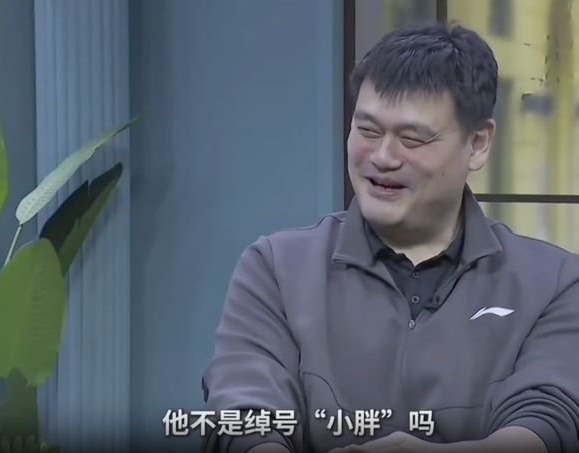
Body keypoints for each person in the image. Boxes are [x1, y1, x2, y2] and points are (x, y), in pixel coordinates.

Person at [201, 22, 579, 453]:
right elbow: (244, 415)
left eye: (412, 138)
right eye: (367, 130)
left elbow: (549, 421)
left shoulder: (555, 282)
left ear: (477, 144)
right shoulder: (276, 268)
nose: (382, 157)